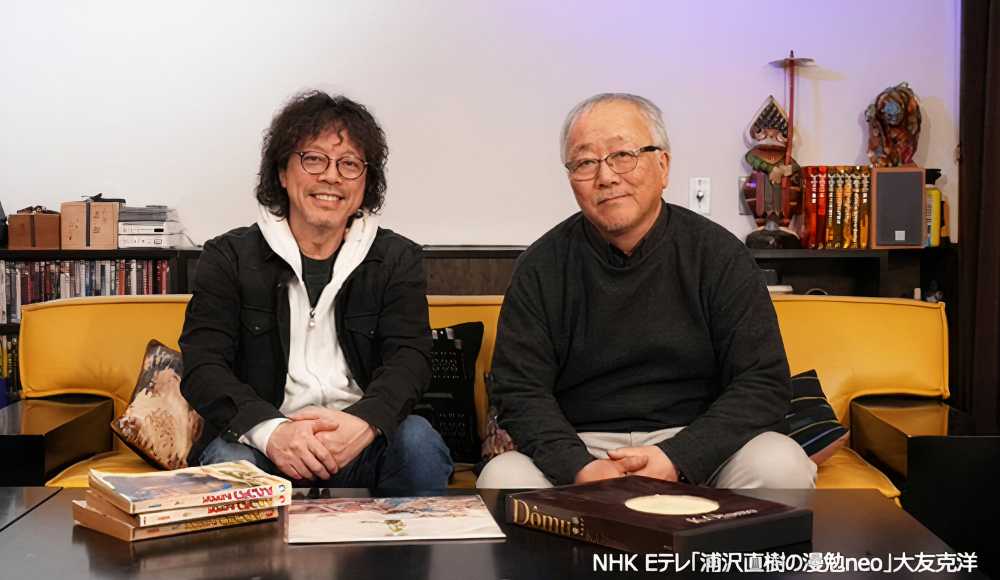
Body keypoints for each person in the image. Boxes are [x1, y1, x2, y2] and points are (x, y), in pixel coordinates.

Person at [477, 93, 816, 489]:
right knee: (502, 478)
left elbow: (763, 383)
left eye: (623, 155)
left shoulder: (719, 255)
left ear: (663, 165)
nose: (606, 177)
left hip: (699, 442)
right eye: (585, 162)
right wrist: (580, 467)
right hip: (581, 445)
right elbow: (520, 391)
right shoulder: (541, 266)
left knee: (780, 464)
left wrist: (678, 456)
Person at [180, 90, 452, 491]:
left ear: (366, 182)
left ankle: (408, 539)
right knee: (229, 460)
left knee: (419, 442)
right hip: (264, 444)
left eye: (349, 164)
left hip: (360, 443)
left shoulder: (396, 259)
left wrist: (364, 423)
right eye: (314, 159)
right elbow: (203, 366)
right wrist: (271, 432)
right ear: (282, 172)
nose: (331, 176)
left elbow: (410, 360)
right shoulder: (229, 257)